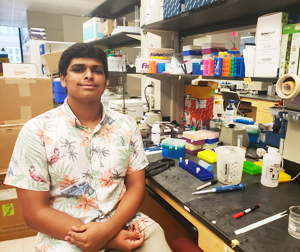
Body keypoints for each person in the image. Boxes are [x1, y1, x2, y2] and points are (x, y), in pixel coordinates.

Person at [4, 43, 171, 252]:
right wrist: (106, 240)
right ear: (63, 79)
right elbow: (34, 212)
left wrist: (108, 229)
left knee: (157, 239)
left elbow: (137, 186)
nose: (89, 75)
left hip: (122, 222)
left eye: (97, 70)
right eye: (78, 69)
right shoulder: (36, 131)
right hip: (65, 232)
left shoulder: (126, 125)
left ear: (106, 81)